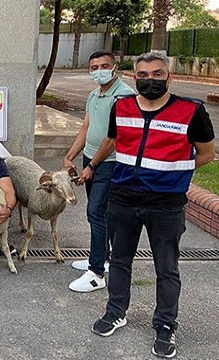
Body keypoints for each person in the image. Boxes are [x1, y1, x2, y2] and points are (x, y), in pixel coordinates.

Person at [89, 52, 215, 359]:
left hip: (165, 203)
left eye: (157, 74)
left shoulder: (192, 111)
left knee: (166, 268)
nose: (150, 81)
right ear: (134, 77)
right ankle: (116, 311)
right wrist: (92, 164)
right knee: (119, 260)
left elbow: (207, 154)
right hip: (123, 198)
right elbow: (113, 141)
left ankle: (165, 326)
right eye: (143, 75)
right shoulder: (122, 106)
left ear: (169, 77)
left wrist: (171, 173)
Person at [63, 51, 136, 293]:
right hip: (91, 158)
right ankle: (101, 256)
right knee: (99, 213)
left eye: (104, 66)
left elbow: (113, 139)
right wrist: (70, 155)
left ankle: (96, 273)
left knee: (95, 211)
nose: (99, 70)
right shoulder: (94, 94)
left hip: (109, 162)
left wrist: (92, 166)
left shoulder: (124, 96)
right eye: (94, 67)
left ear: (115, 68)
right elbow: (86, 127)